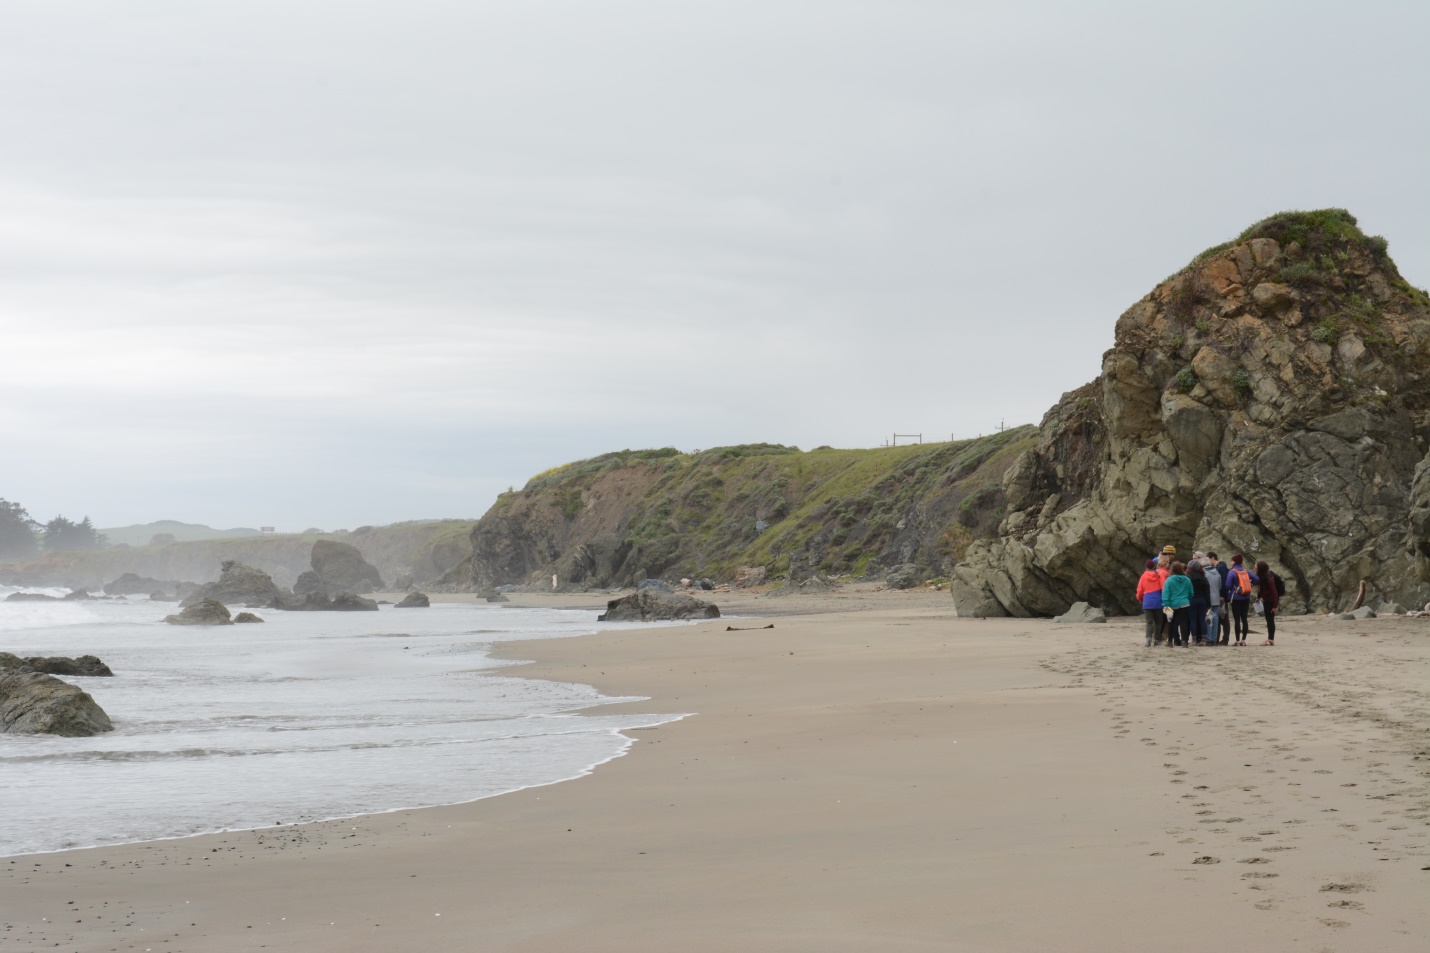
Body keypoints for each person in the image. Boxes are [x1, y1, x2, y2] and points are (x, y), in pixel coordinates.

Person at [1226, 555, 1259, 645]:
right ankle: (1243, 640)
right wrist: (1251, 584)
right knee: (1244, 619)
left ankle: (1237, 640)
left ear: (1234, 562)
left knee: (1237, 619)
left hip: (1236, 598)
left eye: (1231, 561)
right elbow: (1256, 578)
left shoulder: (1232, 572)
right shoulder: (1246, 571)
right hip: (1246, 597)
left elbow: (1228, 585)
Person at [1161, 561, 1192, 647]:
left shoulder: (1169, 580)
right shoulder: (1187, 579)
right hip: (1184, 604)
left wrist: (1165, 604)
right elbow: (1191, 592)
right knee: (1184, 623)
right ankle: (1184, 641)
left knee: (1171, 622)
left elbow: (1165, 593)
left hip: (1171, 605)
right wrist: (1187, 599)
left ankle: (1170, 641)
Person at [1136, 559, 1165, 647]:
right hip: (1158, 601)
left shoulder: (1143, 577)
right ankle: (1157, 639)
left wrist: (1140, 599)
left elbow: (1140, 590)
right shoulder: (1159, 576)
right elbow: (1164, 589)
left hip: (1147, 601)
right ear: (1154, 566)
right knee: (1158, 622)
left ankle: (1148, 639)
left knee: (1149, 622)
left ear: (1146, 567)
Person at [1207, 552, 1231, 644]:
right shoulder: (1217, 568)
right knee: (1218, 617)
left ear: (1213, 558)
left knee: (1223, 617)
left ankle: (1225, 639)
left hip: (1221, 597)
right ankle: (1216, 638)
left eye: (1208, 559)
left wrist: (1223, 595)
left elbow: (1224, 582)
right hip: (1218, 596)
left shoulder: (1220, 567)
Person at [1256, 560, 1280, 646]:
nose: (1255, 568)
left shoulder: (1269, 577)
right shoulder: (1262, 577)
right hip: (1266, 600)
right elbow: (1261, 588)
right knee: (1268, 619)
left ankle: (1271, 639)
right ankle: (1270, 638)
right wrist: (1258, 597)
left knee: (1270, 620)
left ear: (1260, 568)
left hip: (1270, 601)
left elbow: (1274, 592)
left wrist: (1275, 606)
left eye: (1256, 567)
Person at [1204, 552, 1224, 646]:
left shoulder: (1204, 574)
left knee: (1208, 618)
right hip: (1216, 598)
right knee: (1216, 619)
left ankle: (1209, 638)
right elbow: (1220, 586)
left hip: (1208, 599)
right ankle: (1214, 639)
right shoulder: (1217, 573)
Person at [1188, 564, 1210, 644]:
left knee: (1193, 620)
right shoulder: (1203, 578)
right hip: (1202, 600)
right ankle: (1204, 638)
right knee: (1202, 619)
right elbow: (1207, 592)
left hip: (1192, 600)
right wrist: (1208, 604)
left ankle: (1194, 639)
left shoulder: (1189, 578)